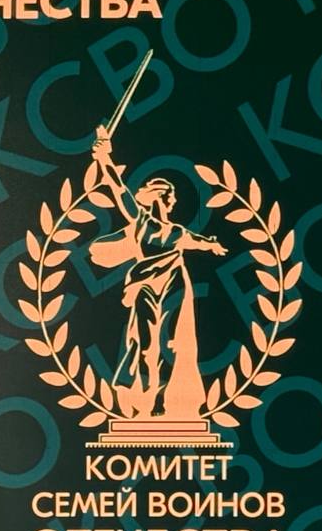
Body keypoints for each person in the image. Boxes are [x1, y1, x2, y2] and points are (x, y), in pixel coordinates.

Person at [90, 125, 227, 418]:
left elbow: (199, 241)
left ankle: (162, 403)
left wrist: (213, 245)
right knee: (146, 344)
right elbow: (118, 188)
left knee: (170, 344)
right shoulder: (140, 221)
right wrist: (105, 157)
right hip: (145, 287)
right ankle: (145, 399)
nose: (173, 202)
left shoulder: (177, 231)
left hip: (174, 285)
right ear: (160, 199)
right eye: (170, 197)